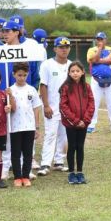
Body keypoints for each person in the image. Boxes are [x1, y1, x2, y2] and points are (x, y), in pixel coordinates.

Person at [37, 37, 72, 176]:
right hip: (52, 106)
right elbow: (43, 85)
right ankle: (45, 163)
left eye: (67, 47)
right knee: (50, 134)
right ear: (55, 49)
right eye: (61, 47)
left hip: (67, 107)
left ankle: (59, 161)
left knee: (64, 135)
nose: (64, 49)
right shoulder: (47, 64)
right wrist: (46, 105)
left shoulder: (71, 65)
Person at [59, 61, 95, 184]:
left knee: (80, 147)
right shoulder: (66, 87)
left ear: (82, 72)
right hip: (71, 124)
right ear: (69, 73)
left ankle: (79, 172)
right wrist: (75, 121)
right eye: (72, 71)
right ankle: (71, 173)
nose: (75, 73)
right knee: (72, 146)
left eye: (77, 71)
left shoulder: (87, 86)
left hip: (83, 123)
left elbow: (91, 104)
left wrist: (85, 120)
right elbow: (63, 106)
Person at [9, 62, 42, 187]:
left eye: (24, 75)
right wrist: (10, 99)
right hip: (15, 127)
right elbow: (11, 108)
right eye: (19, 75)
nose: (21, 78)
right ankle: (17, 177)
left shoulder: (31, 89)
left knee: (28, 153)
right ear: (14, 75)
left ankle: (26, 176)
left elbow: (36, 108)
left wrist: (37, 127)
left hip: (29, 126)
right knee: (16, 153)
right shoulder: (10, 90)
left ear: (27, 75)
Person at [87, 32, 111, 133]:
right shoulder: (92, 49)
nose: (100, 41)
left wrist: (98, 60)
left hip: (109, 80)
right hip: (96, 80)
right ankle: (91, 125)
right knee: (94, 103)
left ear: (105, 40)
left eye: (102, 39)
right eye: (98, 39)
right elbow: (92, 60)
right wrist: (99, 50)